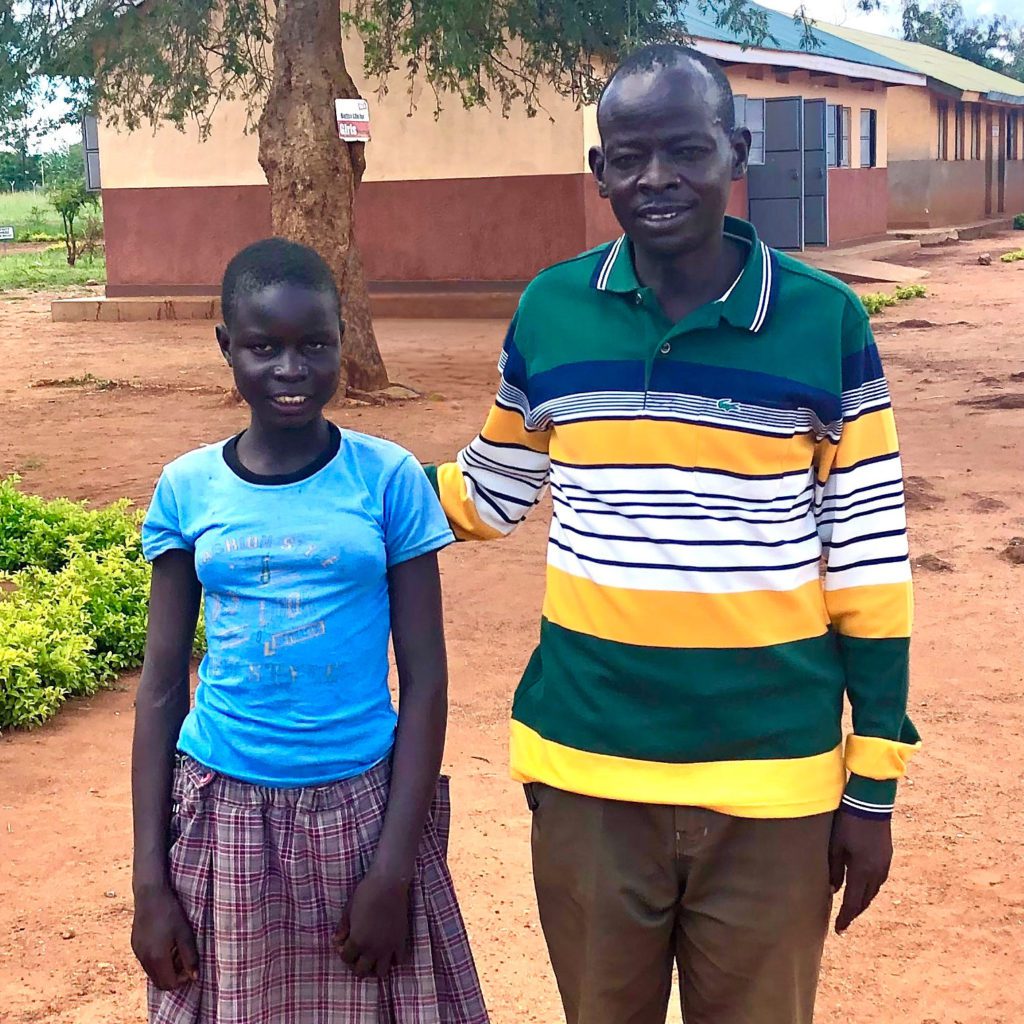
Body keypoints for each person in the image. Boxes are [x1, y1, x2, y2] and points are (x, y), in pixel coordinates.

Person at [426, 44, 920, 1024]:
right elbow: (489, 490)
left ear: (736, 154)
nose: (656, 177)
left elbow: (868, 564)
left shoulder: (823, 324)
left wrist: (870, 788)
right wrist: (324, 481)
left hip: (770, 781)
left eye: (685, 150)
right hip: (588, 771)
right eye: (630, 154)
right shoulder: (551, 311)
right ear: (598, 170)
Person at [130, 238, 489, 1024]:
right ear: (227, 346)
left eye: (314, 345)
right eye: (264, 347)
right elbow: (160, 689)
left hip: (363, 811)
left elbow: (426, 679)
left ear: (342, 342)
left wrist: (394, 870)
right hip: (225, 812)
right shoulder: (188, 488)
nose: (291, 369)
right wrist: (149, 883)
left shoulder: (387, 478)